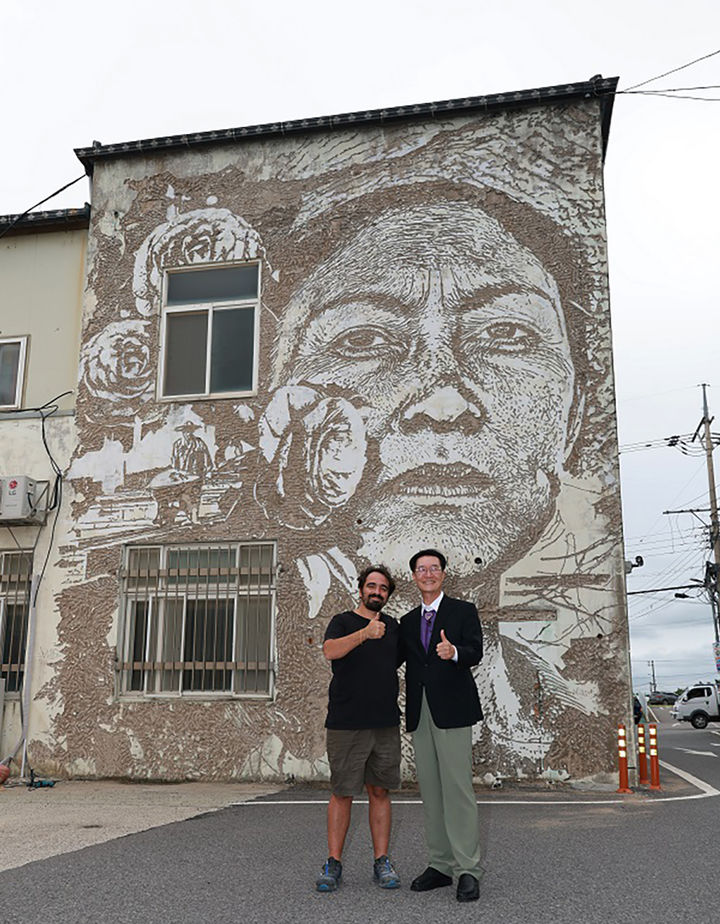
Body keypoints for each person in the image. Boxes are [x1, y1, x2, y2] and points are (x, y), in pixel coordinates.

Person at [400, 549, 484, 903]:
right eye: (422, 569)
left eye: (434, 568)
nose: (428, 573)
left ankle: (468, 870)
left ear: (444, 574)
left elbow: (475, 651)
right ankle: (440, 865)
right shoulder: (405, 621)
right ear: (415, 577)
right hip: (421, 714)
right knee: (431, 793)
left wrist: (456, 654)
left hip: (453, 711)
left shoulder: (463, 611)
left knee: (458, 791)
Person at [316, 565, 402, 893]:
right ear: (361, 589)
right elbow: (330, 651)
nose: (376, 592)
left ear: (388, 594)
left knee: (379, 791)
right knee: (342, 792)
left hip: (384, 723)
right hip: (346, 723)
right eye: (371, 586)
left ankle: (382, 861)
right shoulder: (342, 621)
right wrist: (365, 633)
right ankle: (333, 863)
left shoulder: (393, 628)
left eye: (382, 588)